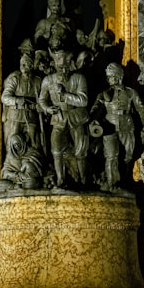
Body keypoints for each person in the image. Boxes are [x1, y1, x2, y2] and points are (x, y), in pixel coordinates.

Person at [89, 62, 144, 191]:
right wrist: (93, 120)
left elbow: (140, 109)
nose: (108, 79)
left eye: (111, 76)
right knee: (111, 156)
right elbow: (96, 107)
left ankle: (123, 182)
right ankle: (112, 184)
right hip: (109, 126)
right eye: (108, 77)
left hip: (127, 125)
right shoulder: (104, 93)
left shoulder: (130, 92)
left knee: (127, 156)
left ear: (118, 77)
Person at [38, 49, 90, 188]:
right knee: (56, 148)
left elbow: (83, 100)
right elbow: (42, 99)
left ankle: (83, 179)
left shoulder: (79, 78)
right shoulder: (48, 81)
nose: (63, 70)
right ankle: (60, 179)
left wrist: (66, 95)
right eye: (60, 67)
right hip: (58, 118)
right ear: (55, 65)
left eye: (66, 67)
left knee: (81, 150)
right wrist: (48, 109)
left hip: (76, 116)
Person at [1, 51, 43, 158]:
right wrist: (17, 100)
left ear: (31, 65)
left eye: (26, 64)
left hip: (31, 117)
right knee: (13, 144)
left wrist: (40, 106)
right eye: (22, 64)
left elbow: (42, 99)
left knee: (35, 144)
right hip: (15, 117)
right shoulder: (15, 79)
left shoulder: (37, 81)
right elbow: (5, 97)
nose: (23, 67)